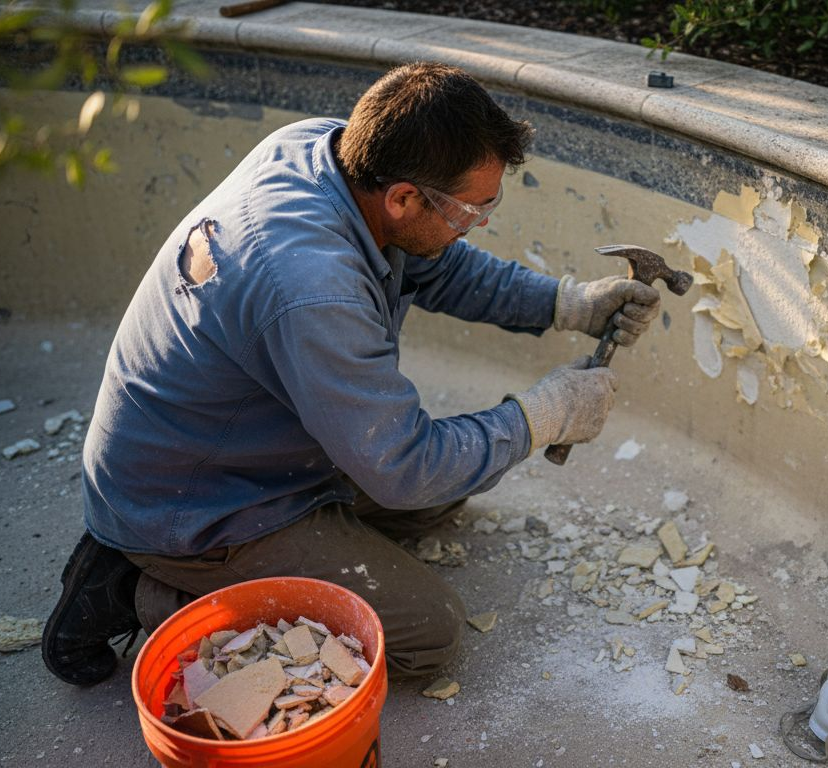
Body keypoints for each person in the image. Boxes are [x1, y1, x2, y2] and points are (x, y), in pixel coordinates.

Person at [41, 62, 661, 686]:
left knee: (448, 489)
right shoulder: (313, 287)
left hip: (246, 446)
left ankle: (278, 554)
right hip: (197, 501)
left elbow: (437, 264)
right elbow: (403, 467)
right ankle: (138, 587)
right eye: (474, 211)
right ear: (403, 198)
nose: (481, 222)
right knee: (426, 633)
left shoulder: (330, 152)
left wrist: (567, 303)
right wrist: (546, 415)